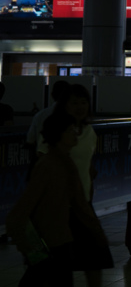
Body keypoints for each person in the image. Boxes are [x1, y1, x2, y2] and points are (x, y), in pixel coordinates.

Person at [8, 110, 109, 287]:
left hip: (59, 242)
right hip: (48, 245)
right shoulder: (49, 165)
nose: (75, 133)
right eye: (70, 130)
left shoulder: (67, 163)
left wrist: (96, 231)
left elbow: (80, 205)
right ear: (58, 134)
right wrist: (30, 249)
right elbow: (21, 211)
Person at [26, 80, 70, 158]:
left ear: (52, 95)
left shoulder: (40, 115)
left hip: (42, 158)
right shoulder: (71, 116)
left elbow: (30, 140)